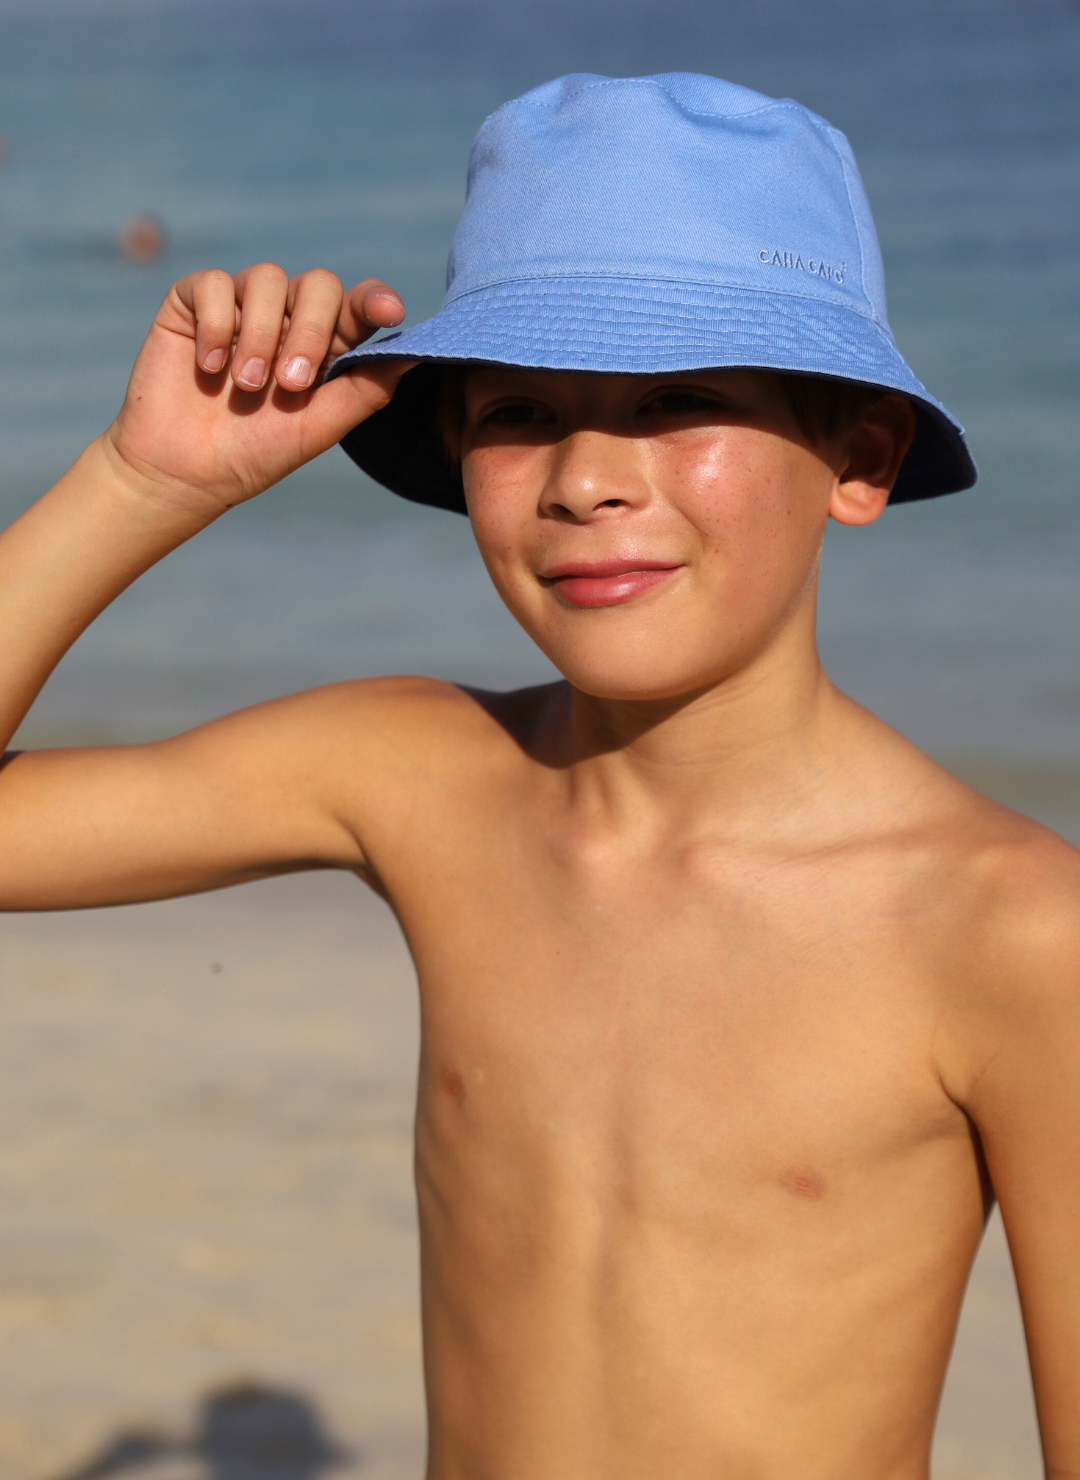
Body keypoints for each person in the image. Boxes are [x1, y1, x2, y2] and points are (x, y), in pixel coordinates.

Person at [2, 71, 1078, 1479]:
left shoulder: (1010, 932)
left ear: (859, 456)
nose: (585, 478)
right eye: (520, 411)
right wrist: (141, 490)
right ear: (454, 447)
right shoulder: (419, 774)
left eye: (682, 397)